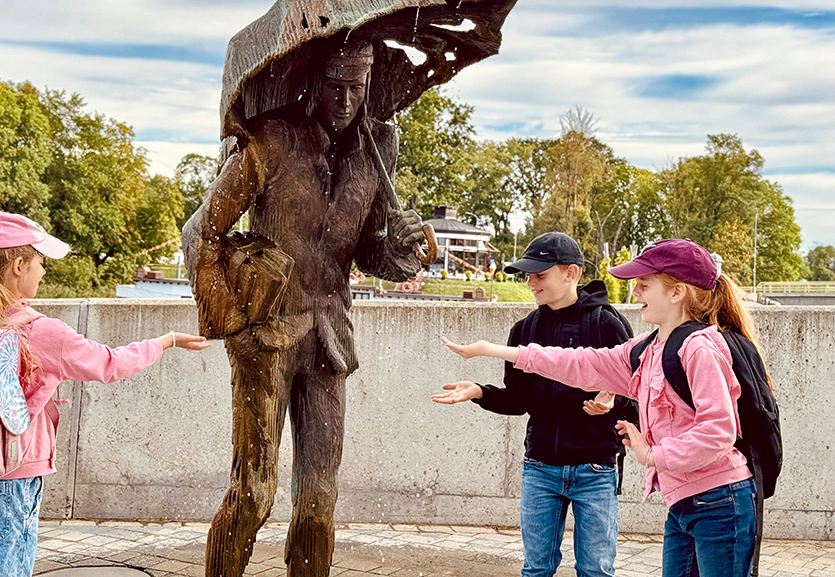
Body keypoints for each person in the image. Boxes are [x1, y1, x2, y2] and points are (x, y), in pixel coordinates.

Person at [183, 39, 425, 577]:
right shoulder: (271, 137)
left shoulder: (379, 146)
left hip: (330, 341)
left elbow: (369, 254)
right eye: (334, 86)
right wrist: (229, 319)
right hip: (264, 336)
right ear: (314, 82)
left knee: (319, 501)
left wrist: (403, 249)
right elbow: (201, 230)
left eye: (355, 89)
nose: (344, 100)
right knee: (254, 493)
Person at [438, 238, 761, 577]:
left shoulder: (698, 349)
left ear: (676, 292)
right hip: (684, 500)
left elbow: (719, 431)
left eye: (644, 284)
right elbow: (579, 364)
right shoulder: (647, 348)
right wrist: (493, 350)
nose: (635, 293)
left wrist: (652, 455)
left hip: (720, 501)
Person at [0, 211, 210, 577]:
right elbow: (110, 363)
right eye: (40, 262)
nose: (43, 271)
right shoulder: (43, 333)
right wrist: (165, 341)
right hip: (7, 482)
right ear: (17, 266)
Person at [433, 232, 634, 577]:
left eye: (539, 275)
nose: (530, 283)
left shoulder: (606, 324)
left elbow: (636, 390)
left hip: (596, 469)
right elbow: (518, 400)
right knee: (536, 569)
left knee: (596, 570)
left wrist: (612, 401)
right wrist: (479, 391)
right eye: (527, 275)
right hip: (540, 468)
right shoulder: (523, 329)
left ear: (571, 273)